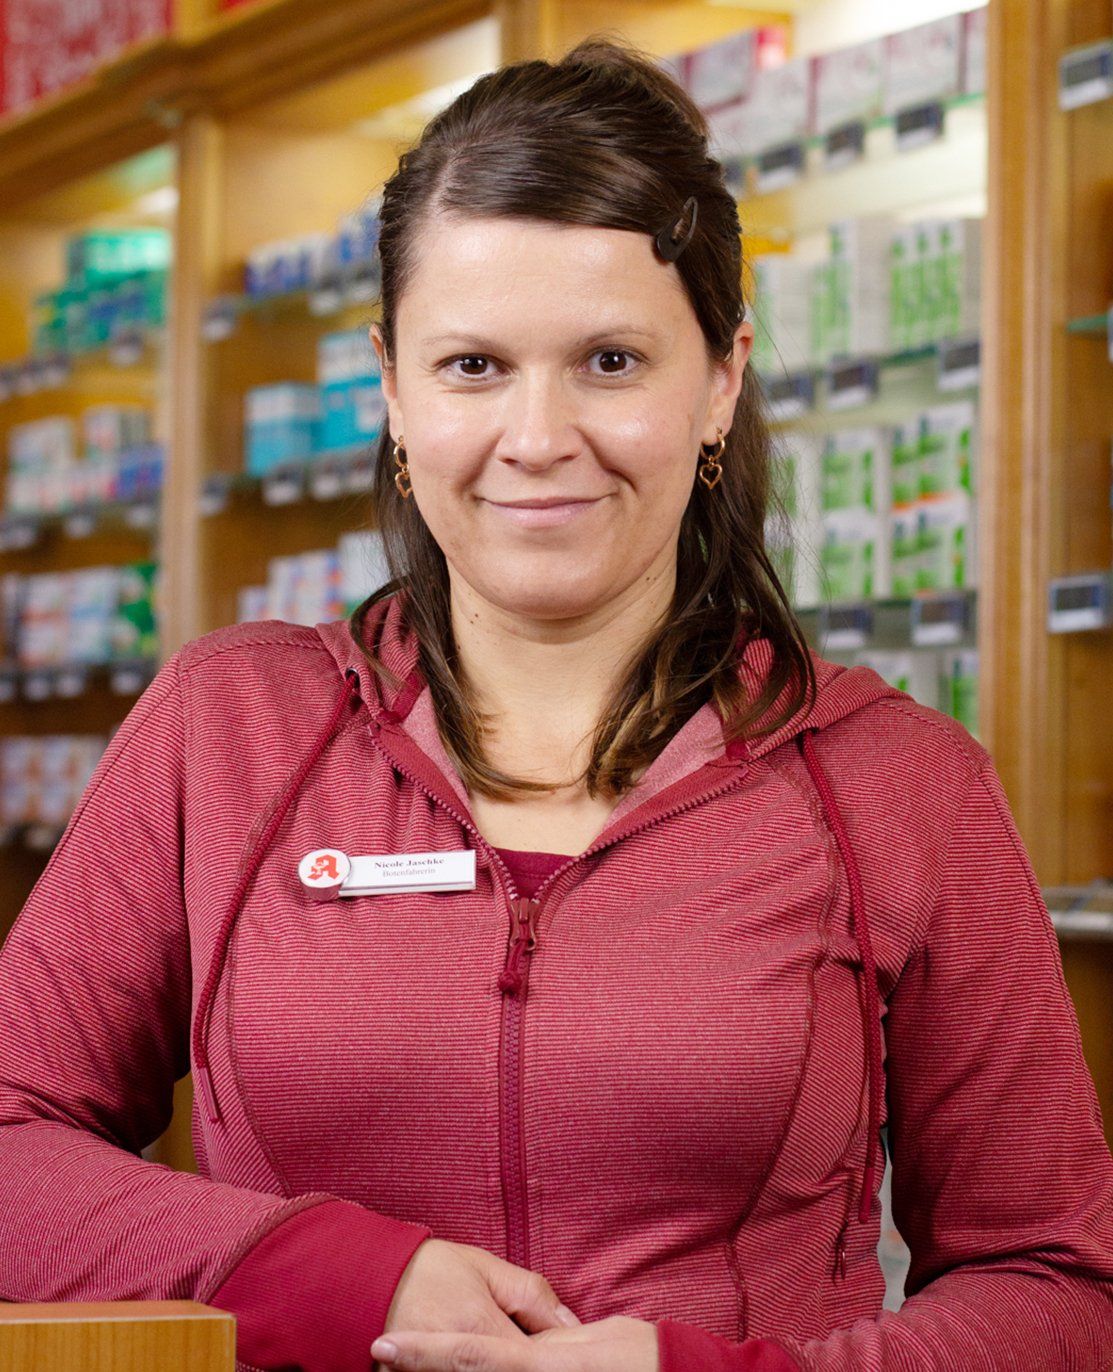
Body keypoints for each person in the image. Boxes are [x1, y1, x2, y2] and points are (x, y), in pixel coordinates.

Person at [1, 33, 1112, 1372]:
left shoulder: (897, 781)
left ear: (719, 380)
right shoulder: (228, 724)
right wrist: (336, 1271)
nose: (537, 438)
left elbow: (1056, 1287)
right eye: (473, 366)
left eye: (609, 362)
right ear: (392, 388)